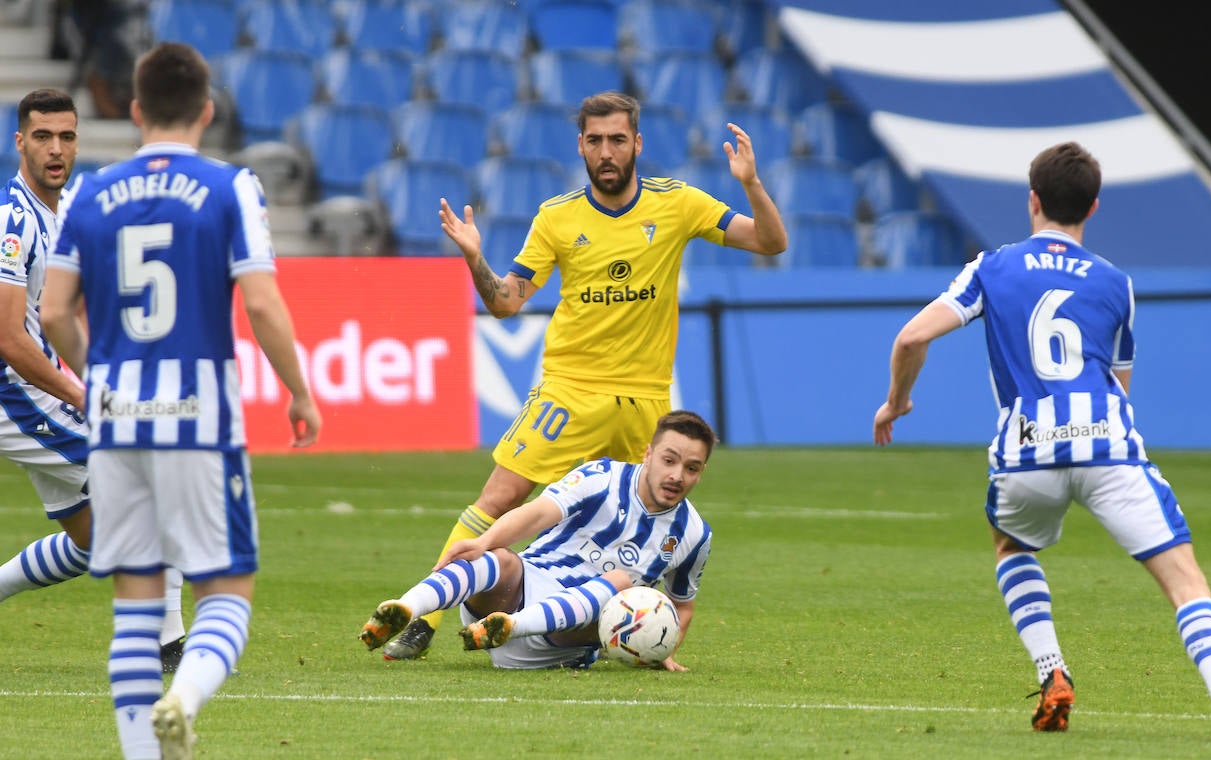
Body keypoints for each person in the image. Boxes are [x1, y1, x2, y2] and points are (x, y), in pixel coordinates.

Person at [872, 142, 1211, 742]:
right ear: (1091, 208)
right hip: (1105, 445)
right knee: (1184, 580)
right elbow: (1120, 387)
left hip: (1026, 450)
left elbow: (912, 338)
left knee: (1012, 546)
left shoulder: (992, 266)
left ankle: (1053, 672)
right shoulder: (1116, 283)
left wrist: (897, 400)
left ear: (1033, 200)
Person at [376, 90, 786, 661]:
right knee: (498, 497)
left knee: (645, 531)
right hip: (570, 389)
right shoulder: (557, 216)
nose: (606, 151)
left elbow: (771, 241)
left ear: (637, 143)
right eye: (595, 141)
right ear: (581, 147)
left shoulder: (678, 203)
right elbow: (506, 303)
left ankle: (642, 635)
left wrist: (750, 182)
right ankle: (427, 618)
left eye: (618, 139)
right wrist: (476, 260)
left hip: (644, 400)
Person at [41, 43, 321, 760]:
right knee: (227, 594)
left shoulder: (93, 193)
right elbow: (261, 303)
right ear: (207, 110)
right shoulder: (231, 186)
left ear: (133, 111)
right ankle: (185, 696)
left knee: (136, 608)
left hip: (114, 421)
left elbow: (53, 313)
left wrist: (97, 376)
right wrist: (299, 391)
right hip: (198, 422)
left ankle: (143, 751)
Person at [0, 88, 186, 670]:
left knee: (90, 544)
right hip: (15, 395)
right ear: (19, 143)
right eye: (42, 137)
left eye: (67, 137)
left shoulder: (63, 212)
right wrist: (84, 394)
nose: (56, 150)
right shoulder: (13, 222)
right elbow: (8, 339)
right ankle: (171, 642)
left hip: (40, 389)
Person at [360, 410, 714, 671]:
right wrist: (484, 541)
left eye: (691, 468)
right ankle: (405, 607)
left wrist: (662, 645)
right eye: (669, 460)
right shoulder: (602, 476)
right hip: (515, 593)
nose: (676, 476)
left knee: (621, 582)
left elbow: (682, 604)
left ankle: (512, 628)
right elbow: (538, 513)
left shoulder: (694, 535)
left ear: (701, 473)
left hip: (560, 644)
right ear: (648, 454)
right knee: (498, 558)